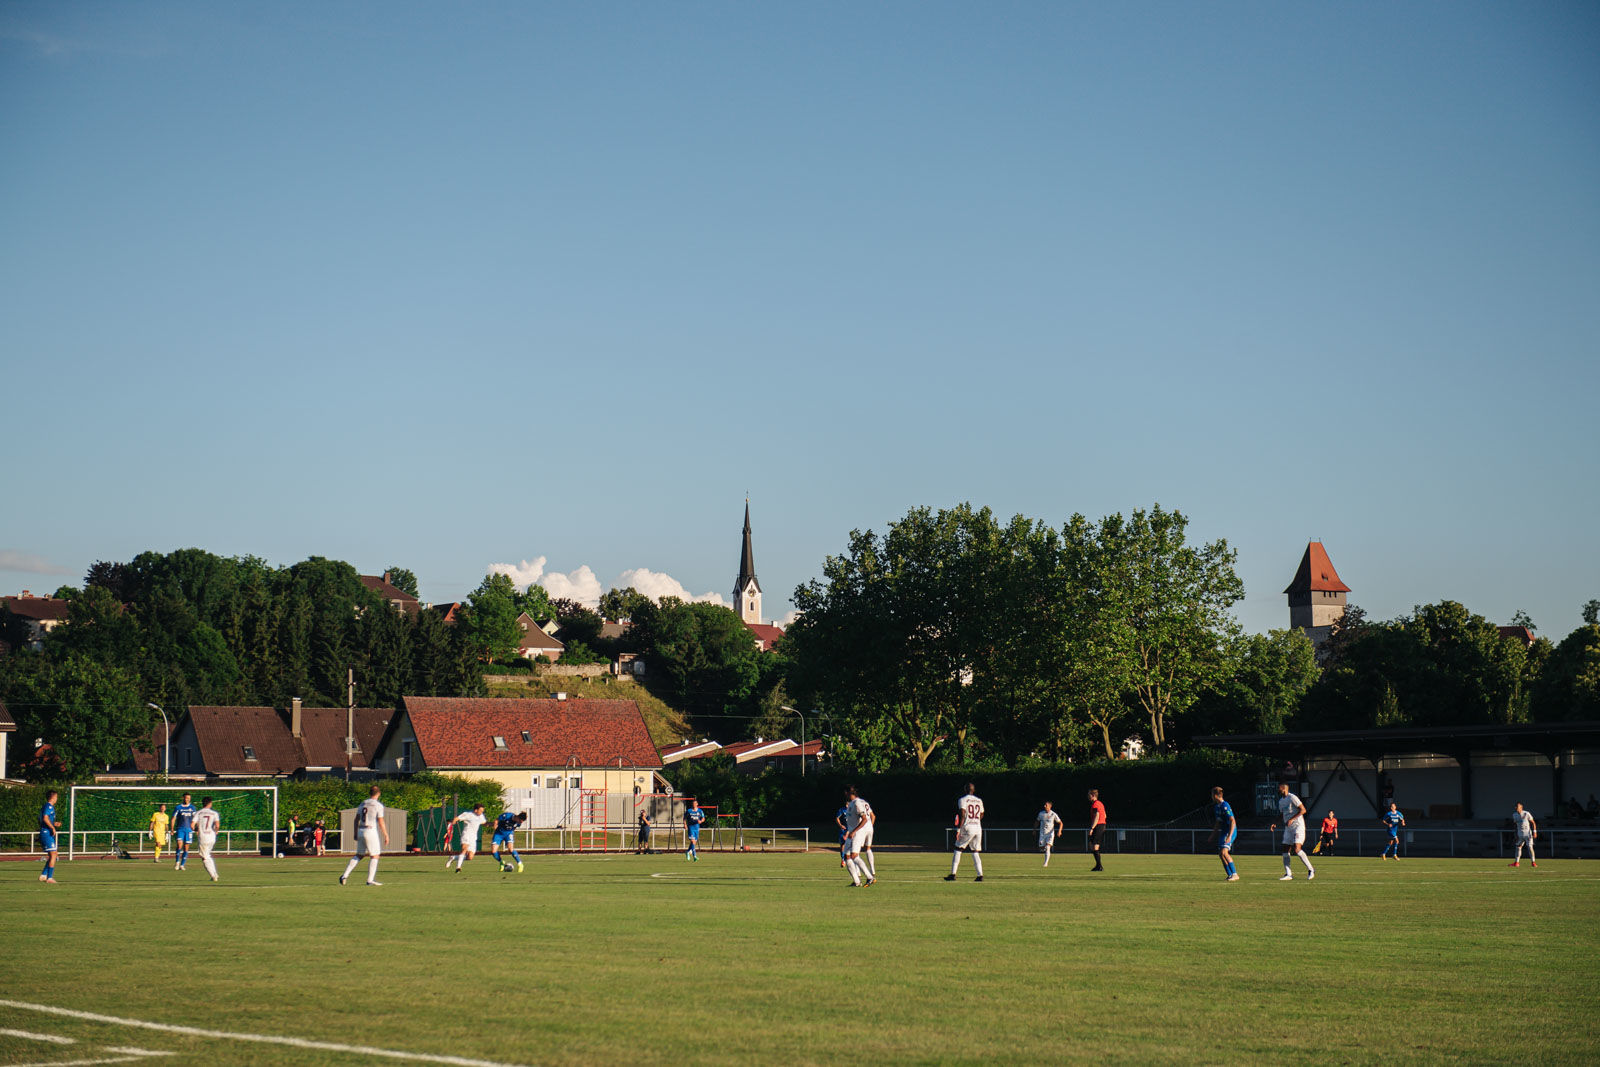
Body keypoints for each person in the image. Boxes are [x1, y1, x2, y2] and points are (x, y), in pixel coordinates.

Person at [340, 785, 389, 886]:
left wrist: (355, 833)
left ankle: (345, 875)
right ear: (379, 794)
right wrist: (386, 835)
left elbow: (356, 819)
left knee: (359, 855)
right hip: (370, 830)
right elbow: (381, 821)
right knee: (375, 855)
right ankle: (370, 880)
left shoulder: (363, 803)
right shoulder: (378, 805)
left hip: (361, 830)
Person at [1271, 781, 1315, 880]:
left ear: (1284, 789)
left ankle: (1311, 869)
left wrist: (1292, 819)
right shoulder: (1281, 801)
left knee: (1296, 848)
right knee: (1285, 850)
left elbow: (1303, 810)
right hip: (1288, 828)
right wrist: (1275, 823)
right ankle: (1288, 874)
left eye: (1279, 788)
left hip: (1298, 826)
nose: (1278, 790)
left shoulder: (1292, 797)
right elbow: (1282, 814)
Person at [945, 782, 985, 882]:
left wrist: (958, 829)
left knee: (957, 849)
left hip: (968, 828)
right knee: (975, 851)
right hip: (978, 828)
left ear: (965, 790)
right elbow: (982, 814)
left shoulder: (962, 800)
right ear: (973, 790)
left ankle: (953, 874)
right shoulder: (979, 800)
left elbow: (962, 815)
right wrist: (976, 821)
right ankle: (980, 875)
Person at [841, 785, 874, 887]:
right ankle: (856, 881)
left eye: (845, 793)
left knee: (854, 856)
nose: (844, 795)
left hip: (857, 833)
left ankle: (870, 877)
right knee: (846, 856)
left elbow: (864, 819)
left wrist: (854, 831)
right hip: (851, 833)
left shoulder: (857, 803)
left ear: (849, 793)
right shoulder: (854, 803)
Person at [1208, 786, 1239, 881]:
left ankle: (1235, 874)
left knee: (1224, 852)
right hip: (1224, 831)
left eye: (1212, 795)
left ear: (1215, 795)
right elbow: (1218, 823)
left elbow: (1233, 821)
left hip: (1230, 831)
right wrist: (1212, 835)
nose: (1211, 797)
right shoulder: (1216, 807)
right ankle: (1230, 875)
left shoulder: (1225, 805)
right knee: (1221, 854)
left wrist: (1230, 836)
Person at [448, 804, 488, 872]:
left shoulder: (481, 816)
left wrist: (494, 824)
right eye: (480, 810)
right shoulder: (468, 814)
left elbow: (484, 823)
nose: (482, 812)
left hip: (473, 838)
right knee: (464, 849)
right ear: (476, 810)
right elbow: (456, 818)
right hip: (466, 835)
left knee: (470, 857)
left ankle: (454, 857)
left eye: (482, 811)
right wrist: (453, 823)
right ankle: (458, 868)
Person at [193, 797, 222, 882]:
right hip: (212, 837)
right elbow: (217, 826)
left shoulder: (198, 813)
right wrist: (216, 831)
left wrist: (196, 830)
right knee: (207, 855)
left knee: (204, 857)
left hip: (203, 837)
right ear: (210, 803)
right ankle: (215, 873)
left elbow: (192, 825)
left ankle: (213, 876)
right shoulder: (214, 813)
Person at [171, 793, 197, 871]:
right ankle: (177, 862)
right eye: (186, 798)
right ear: (183, 798)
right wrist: (172, 828)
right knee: (179, 845)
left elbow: (196, 818)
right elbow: (173, 818)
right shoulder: (178, 807)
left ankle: (182, 864)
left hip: (189, 830)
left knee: (186, 847)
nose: (187, 799)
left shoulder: (192, 808)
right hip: (180, 829)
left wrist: (197, 828)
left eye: (189, 798)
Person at [38, 790, 60, 884]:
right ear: (53, 797)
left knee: (53, 855)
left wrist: (54, 824)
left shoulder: (46, 806)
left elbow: (43, 820)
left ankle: (43, 875)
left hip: (46, 832)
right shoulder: (49, 806)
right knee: (53, 854)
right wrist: (52, 827)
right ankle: (49, 878)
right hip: (46, 833)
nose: (57, 799)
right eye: (56, 797)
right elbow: (45, 818)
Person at [1509, 802, 1538, 868]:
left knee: (1530, 847)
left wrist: (1535, 832)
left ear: (1521, 807)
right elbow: (1515, 825)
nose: (1516, 808)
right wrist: (1515, 834)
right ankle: (1516, 863)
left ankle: (1533, 862)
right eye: (1515, 806)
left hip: (1528, 834)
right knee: (1518, 848)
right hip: (1520, 835)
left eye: (1517, 806)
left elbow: (1533, 823)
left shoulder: (1526, 813)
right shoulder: (1514, 815)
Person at [1035, 801, 1063, 867]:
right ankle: (1044, 848)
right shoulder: (1041, 814)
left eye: (1046, 805)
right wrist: (1034, 830)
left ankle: (1045, 863)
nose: (1044, 806)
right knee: (1041, 848)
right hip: (1042, 833)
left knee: (1048, 847)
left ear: (1050, 806)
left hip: (1050, 834)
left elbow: (1061, 823)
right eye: (1044, 805)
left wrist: (1059, 831)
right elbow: (1037, 821)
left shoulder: (1053, 814)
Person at [1087, 789, 1107, 872]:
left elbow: (1097, 816)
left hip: (1098, 826)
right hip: (1102, 825)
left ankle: (1099, 866)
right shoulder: (1100, 803)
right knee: (1094, 845)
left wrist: (1092, 828)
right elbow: (1105, 815)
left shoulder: (1095, 805)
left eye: (1089, 795)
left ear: (1093, 795)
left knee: (1094, 846)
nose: (1088, 797)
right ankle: (1098, 866)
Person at [834, 801, 851, 868]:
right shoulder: (842, 810)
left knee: (851, 846)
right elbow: (837, 818)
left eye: (848, 804)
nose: (847, 805)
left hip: (851, 829)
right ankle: (843, 860)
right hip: (843, 830)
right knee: (842, 845)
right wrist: (840, 825)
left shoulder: (853, 810)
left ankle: (850, 860)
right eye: (846, 804)